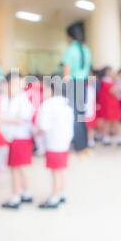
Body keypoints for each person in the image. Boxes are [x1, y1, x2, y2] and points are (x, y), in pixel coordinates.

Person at [0, 73, 34, 209]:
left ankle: (15, 197)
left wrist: (2, 120)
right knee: (19, 168)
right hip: (16, 138)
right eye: (12, 84)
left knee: (14, 169)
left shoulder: (22, 99)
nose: (16, 87)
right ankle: (26, 193)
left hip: (20, 138)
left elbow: (22, 119)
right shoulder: (11, 99)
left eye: (18, 84)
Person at [37, 80, 74, 209]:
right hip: (64, 142)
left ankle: (54, 198)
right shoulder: (66, 105)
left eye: (46, 89)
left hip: (53, 143)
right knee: (61, 169)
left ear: (52, 90)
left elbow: (43, 126)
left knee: (55, 172)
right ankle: (62, 193)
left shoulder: (47, 105)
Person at [62, 21, 92, 153]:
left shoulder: (70, 50)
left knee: (73, 117)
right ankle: (83, 144)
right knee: (81, 116)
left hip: (73, 84)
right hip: (83, 84)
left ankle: (78, 145)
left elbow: (66, 74)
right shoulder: (86, 49)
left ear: (70, 36)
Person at [97, 67, 121, 146]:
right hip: (109, 105)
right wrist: (117, 85)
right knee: (109, 122)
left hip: (112, 104)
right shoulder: (105, 81)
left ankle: (111, 138)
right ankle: (108, 138)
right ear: (107, 72)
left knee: (112, 122)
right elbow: (113, 91)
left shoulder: (110, 81)